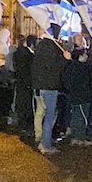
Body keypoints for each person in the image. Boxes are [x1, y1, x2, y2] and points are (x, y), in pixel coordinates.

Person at [32, 24, 72, 154]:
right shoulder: (53, 48)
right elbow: (55, 69)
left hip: (39, 86)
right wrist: (65, 60)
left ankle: (43, 139)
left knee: (42, 113)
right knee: (49, 116)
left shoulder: (40, 46)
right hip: (50, 86)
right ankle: (46, 145)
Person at [63, 48, 92, 147]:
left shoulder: (70, 67)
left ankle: (75, 138)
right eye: (85, 55)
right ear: (80, 56)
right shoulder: (82, 68)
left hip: (74, 97)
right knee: (82, 118)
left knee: (75, 117)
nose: (86, 56)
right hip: (82, 97)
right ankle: (80, 138)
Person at [11, 34, 36, 134]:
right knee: (28, 104)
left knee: (21, 102)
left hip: (20, 82)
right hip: (28, 83)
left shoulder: (16, 54)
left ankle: (22, 124)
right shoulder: (30, 56)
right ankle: (28, 125)